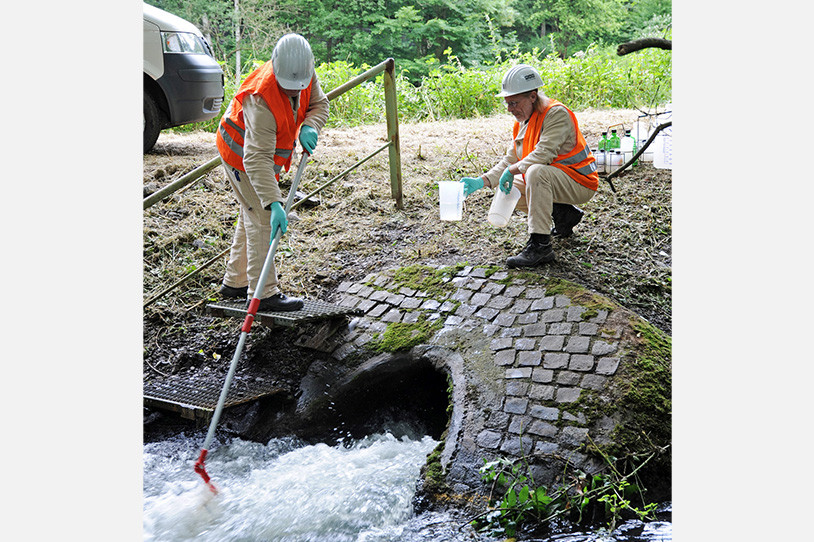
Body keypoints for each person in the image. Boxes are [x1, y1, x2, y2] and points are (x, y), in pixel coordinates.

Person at [216, 33, 329, 311]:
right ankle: (263, 293)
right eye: (288, 87)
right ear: (277, 69)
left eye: (299, 87)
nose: (294, 92)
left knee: (252, 213)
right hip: (240, 156)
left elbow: (319, 104)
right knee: (263, 215)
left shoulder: (303, 71)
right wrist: (274, 202)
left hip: (259, 156)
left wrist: (310, 126)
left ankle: (235, 282)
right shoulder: (261, 98)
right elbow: (256, 159)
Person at [459, 64, 599, 268]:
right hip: (557, 180)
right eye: (507, 103)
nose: (510, 109)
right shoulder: (523, 122)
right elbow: (511, 160)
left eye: (514, 102)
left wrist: (512, 170)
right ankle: (563, 214)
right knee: (509, 188)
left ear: (533, 96)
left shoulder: (556, 114)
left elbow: (543, 154)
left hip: (580, 182)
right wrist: (482, 181)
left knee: (535, 172)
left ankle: (540, 245)